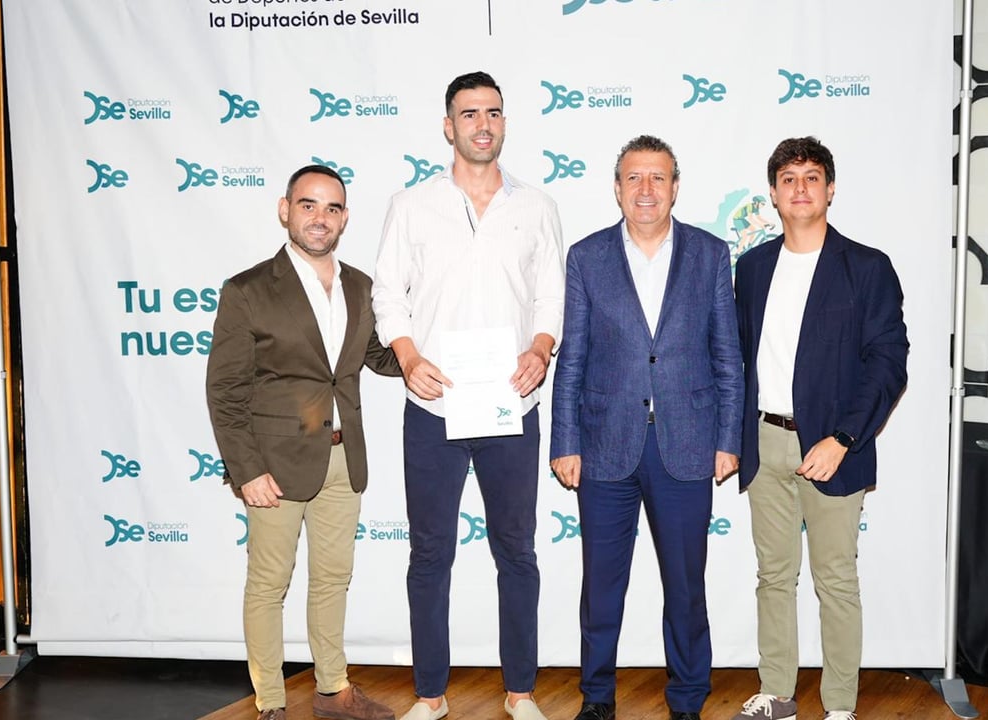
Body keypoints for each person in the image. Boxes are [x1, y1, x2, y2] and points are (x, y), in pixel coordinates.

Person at [371, 71, 564, 720]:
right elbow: (387, 293)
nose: (483, 124)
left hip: (512, 406)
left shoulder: (536, 207)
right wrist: (407, 356)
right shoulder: (411, 204)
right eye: (470, 113)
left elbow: (552, 297)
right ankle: (430, 696)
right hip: (433, 408)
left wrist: (541, 348)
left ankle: (520, 692)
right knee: (430, 554)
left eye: (494, 112)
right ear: (448, 126)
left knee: (517, 553)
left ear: (504, 123)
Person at [550, 135, 744, 720]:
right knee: (601, 587)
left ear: (675, 187)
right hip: (604, 445)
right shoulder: (587, 257)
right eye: (634, 177)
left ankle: (687, 699)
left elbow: (727, 356)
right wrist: (565, 441)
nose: (646, 189)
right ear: (617, 189)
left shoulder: (710, 254)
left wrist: (728, 439)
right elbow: (572, 358)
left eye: (658, 177)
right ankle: (597, 698)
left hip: (687, 445)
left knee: (685, 587)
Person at [207, 164, 402, 720]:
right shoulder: (247, 290)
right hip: (274, 465)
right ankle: (270, 703)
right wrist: (246, 469)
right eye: (308, 205)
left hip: (344, 457)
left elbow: (378, 357)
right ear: (284, 210)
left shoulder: (361, 286)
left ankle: (332, 690)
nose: (321, 218)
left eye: (332, 208)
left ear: (345, 218)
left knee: (333, 580)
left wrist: (433, 347)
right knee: (269, 584)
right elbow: (225, 391)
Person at [729, 137, 909, 720]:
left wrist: (845, 438)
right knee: (773, 577)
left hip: (834, 447)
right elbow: (736, 357)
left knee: (835, 580)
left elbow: (888, 363)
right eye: (788, 178)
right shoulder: (753, 268)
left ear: (830, 189)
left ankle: (839, 708)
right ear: (774, 193)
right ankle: (777, 694)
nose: (800, 188)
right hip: (764, 442)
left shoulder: (867, 267)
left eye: (811, 177)